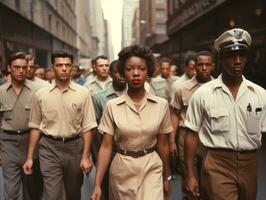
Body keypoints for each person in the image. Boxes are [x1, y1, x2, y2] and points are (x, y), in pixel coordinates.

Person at [184, 28, 266, 200]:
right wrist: (190, 174)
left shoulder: (259, 94)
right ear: (221, 58)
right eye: (231, 55)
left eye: (242, 55)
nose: (237, 61)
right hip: (217, 163)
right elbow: (191, 134)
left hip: (249, 164)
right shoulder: (203, 94)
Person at [90, 45, 173, 200]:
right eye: (129, 69)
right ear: (122, 72)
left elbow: (163, 144)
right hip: (122, 169)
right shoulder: (111, 106)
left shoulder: (161, 105)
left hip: (151, 167)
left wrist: (166, 176)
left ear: (148, 71)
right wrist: (97, 184)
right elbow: (106, 146)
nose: (136, 73)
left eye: (141, 68)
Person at [23, 50, 97, 200]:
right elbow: (35, 126)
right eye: (59, 65)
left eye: (67, 65)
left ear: (72, 67)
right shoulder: (41, 94)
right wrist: (30, 157)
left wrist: (85, 156)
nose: (64, 68)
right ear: (53, 68)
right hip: (49, 148)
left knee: (73, 193)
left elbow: (89, 126)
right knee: (53, 194)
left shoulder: (83, 93)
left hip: (74, 147)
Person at [170, 51, 215, 199]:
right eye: (200, 65)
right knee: (189, 178)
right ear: (194, 67)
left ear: (213, 66)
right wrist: (172, 141)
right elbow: (175, 114)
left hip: (212, 136)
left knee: (211, 182)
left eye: (207, 65)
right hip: (186, 136)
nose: (203, 68)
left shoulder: (219, 88)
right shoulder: (181, 88)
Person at [0, 52, 42, 200]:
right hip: (8, 144)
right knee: (11, 190)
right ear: (9, 68)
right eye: (16, 67)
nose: (21, 71)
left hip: (31, 142)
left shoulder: (38, 91)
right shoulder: (1, 92)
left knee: (32, 189)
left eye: (24, 67)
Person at [92, 60, 126, 200]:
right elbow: (94, 128)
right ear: (111, 74)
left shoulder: (137, 93)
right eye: (117, 72)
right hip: (110, 151)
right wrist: (95, 156)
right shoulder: (100, 97)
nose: (122, 76)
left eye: (124, 71)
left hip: (131, 150)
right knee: (108, 189)